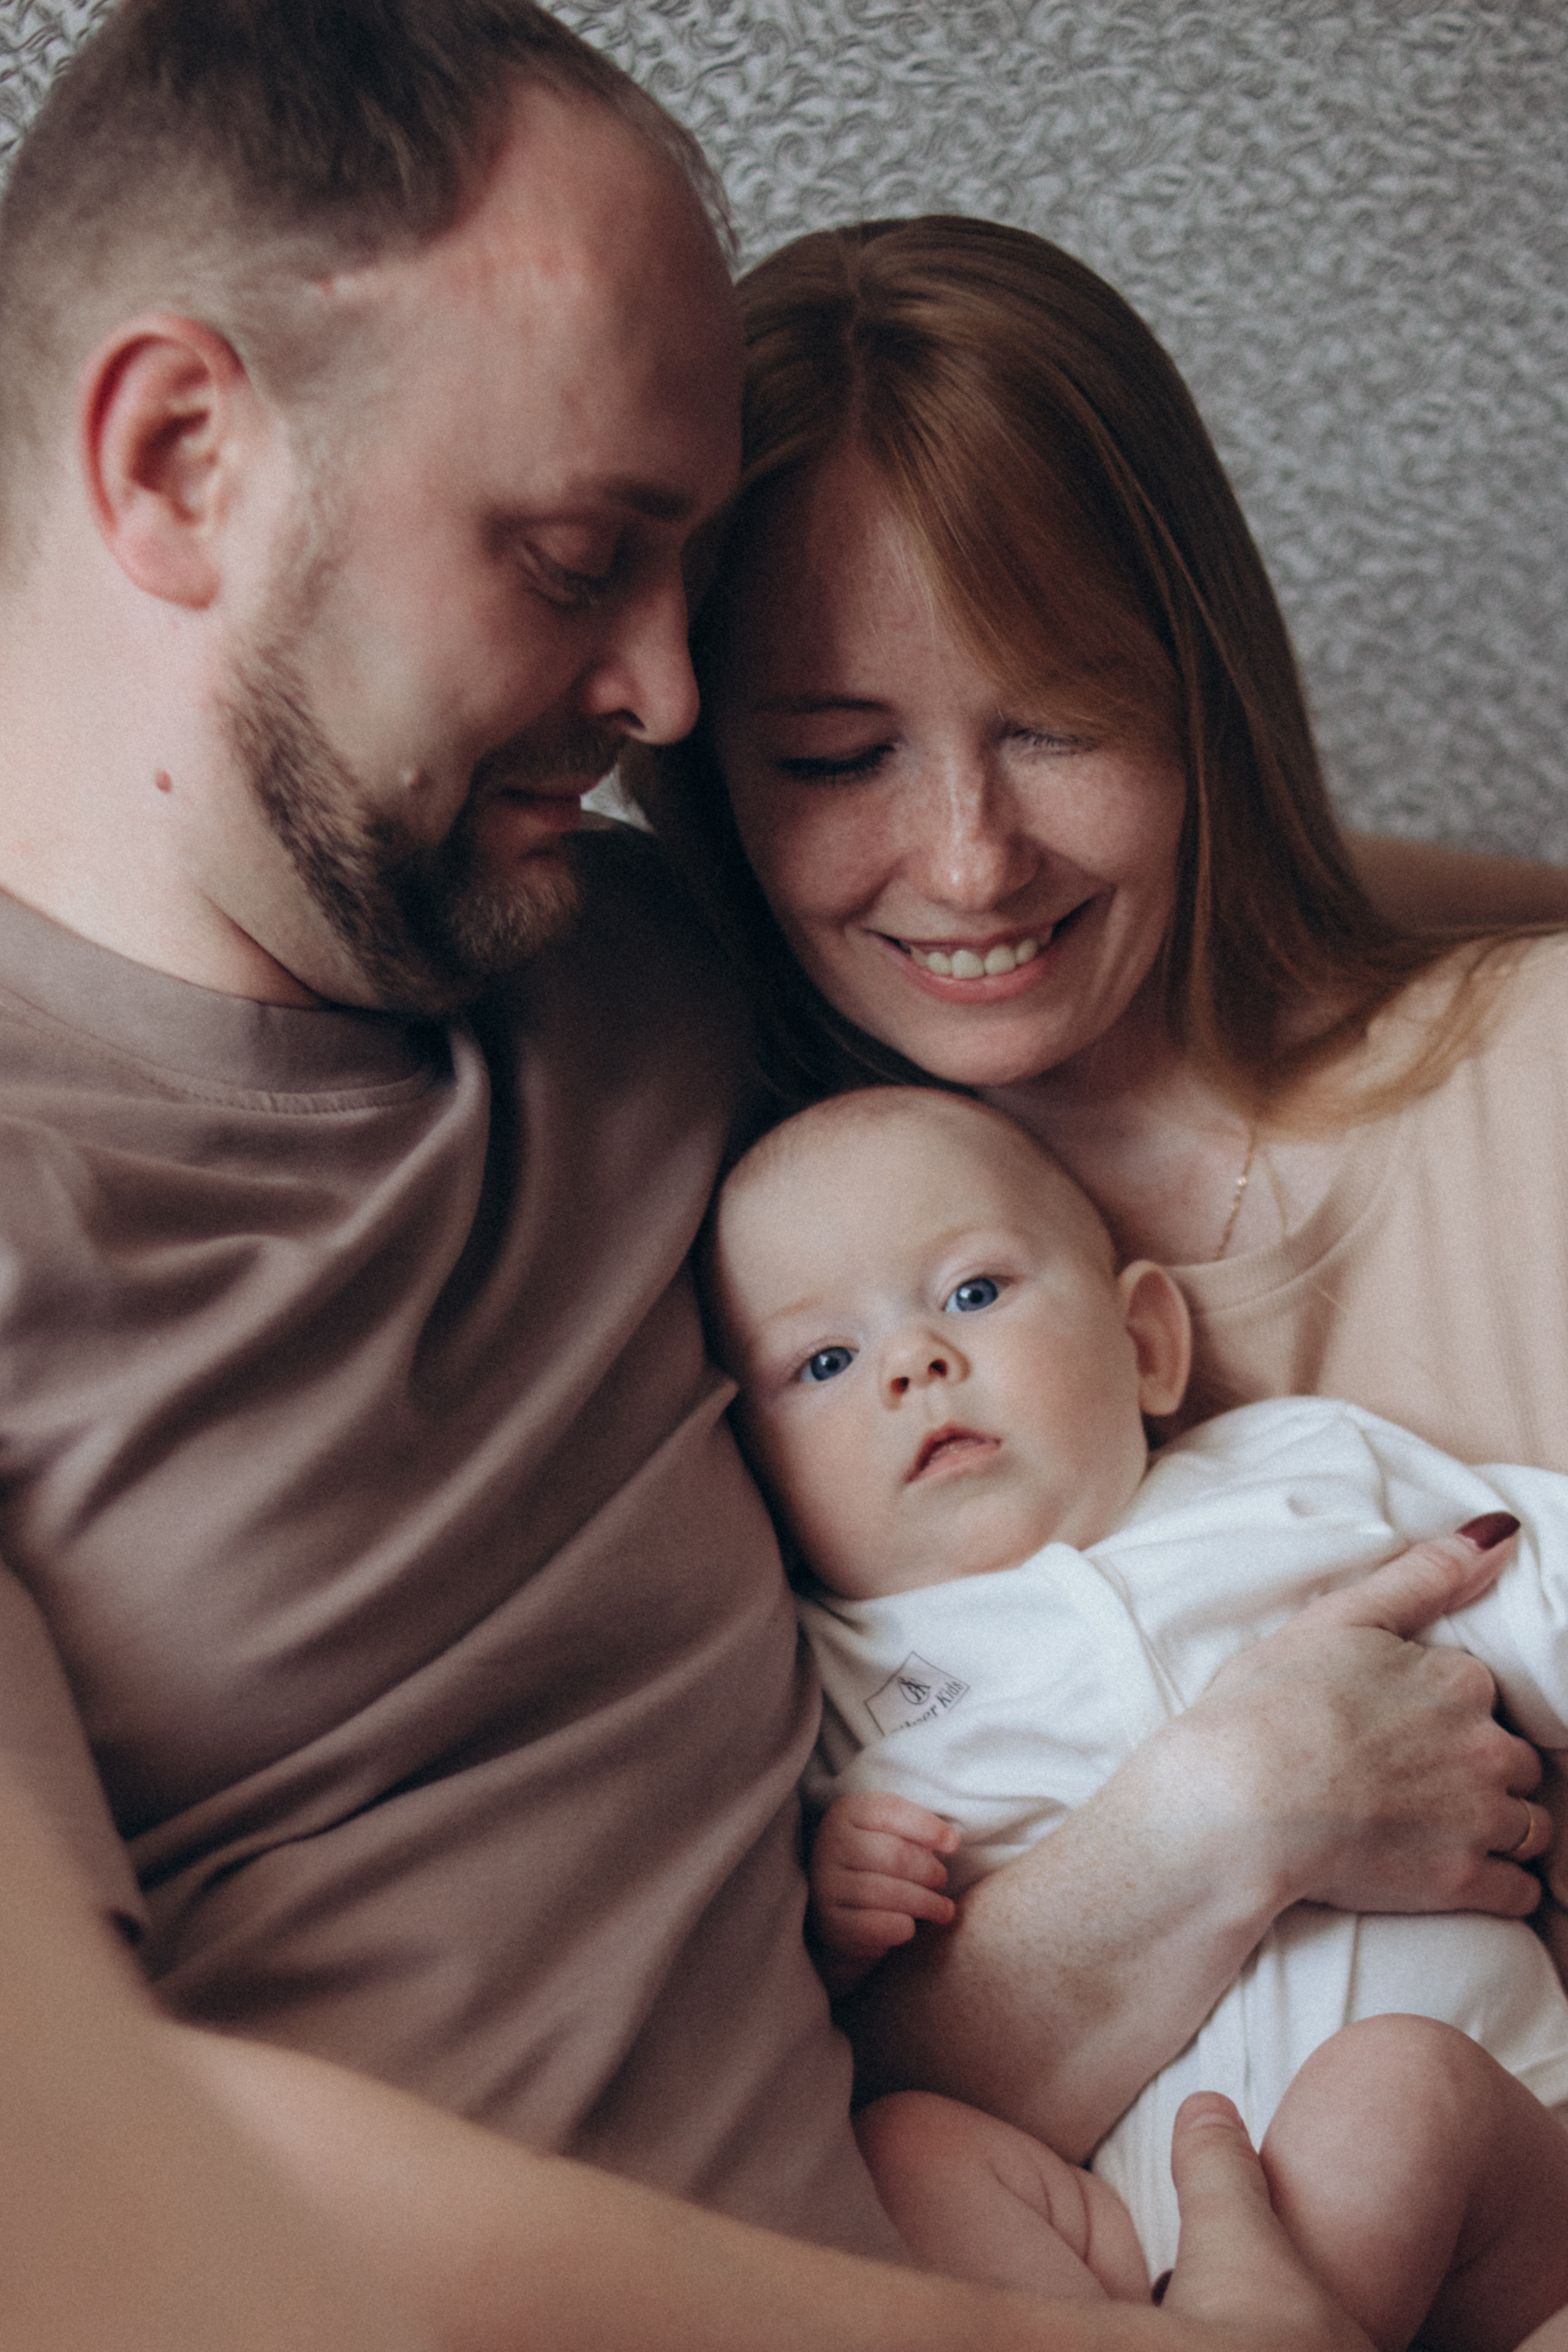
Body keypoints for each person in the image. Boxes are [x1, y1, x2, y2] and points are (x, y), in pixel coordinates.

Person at [0, 9, 1551, 2345]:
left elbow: (1187, 902)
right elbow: (68, 2172)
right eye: (572, 557)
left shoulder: (615, 961)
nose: (667, 702)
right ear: (181, 457)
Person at [630, 211, 1568, 2156]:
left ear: (1198, 692)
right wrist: (1225, 1814)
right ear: (713, 779)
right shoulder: (722, 1260)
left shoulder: (1530, 1089)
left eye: (1057, 727)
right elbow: (818, 2122)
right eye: (837, 756)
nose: (970, 865)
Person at [705, 1082, 1568, 2346]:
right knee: (903, 2155)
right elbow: (803, 1999)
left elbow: (1533, 1587)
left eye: (972, 1291)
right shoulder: (828, 1677)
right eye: (824, 1362)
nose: (913, 1363)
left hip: (1492, 2158)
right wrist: (839, 1914)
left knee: (1386, 2091)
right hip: (1118, 2249)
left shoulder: (1294, 1475)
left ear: (1146, 1341)